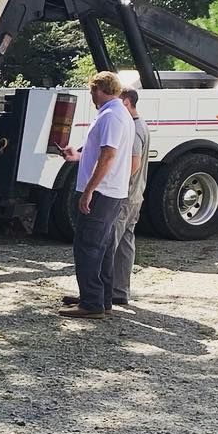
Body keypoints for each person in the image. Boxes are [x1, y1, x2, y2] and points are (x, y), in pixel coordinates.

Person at [59, 70, 133, 319]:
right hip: (112, 191)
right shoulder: (117, 113)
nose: (91, 95)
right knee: (102, 245)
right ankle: (101, 297)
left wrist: (88, 190)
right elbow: (100, 153)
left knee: (88, 246)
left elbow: (109, 155)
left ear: (99, 89)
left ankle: (91, 303)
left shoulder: (111, 116)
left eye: (92, 90)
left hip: (103, 191)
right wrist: (77, 156)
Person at [111, 88, 151, 307]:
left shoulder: (134, 129)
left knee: (110, 243)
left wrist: (111, 178)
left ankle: (101, 293)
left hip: (125, 195)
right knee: (126, 243)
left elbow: (134, 164)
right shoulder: (142, 125)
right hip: (136, 195)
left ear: (126, 102)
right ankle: (120, 291)